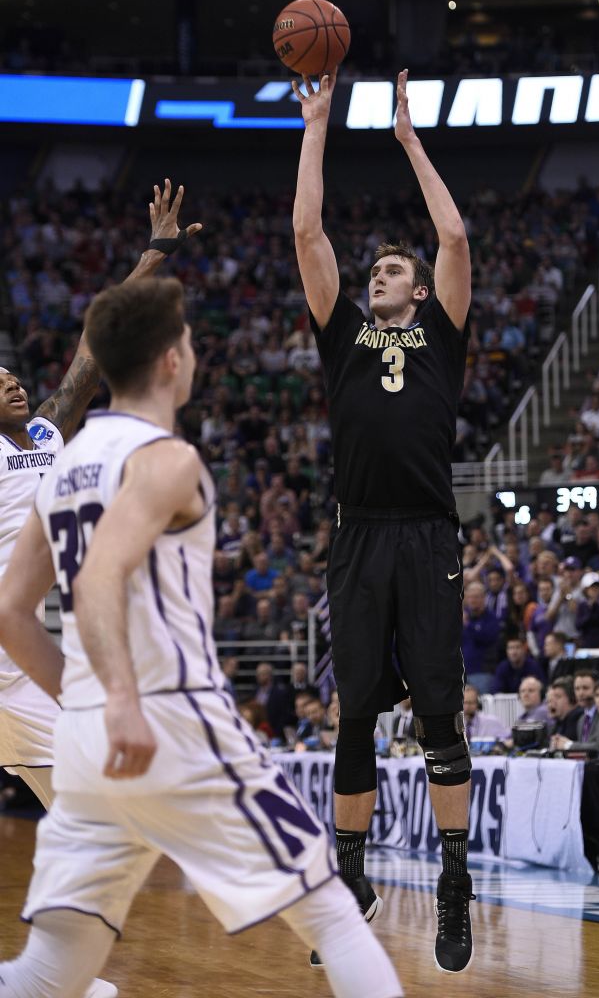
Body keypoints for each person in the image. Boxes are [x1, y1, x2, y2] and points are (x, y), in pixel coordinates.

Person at [0, 277, 402, 998]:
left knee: (49, 973)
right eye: (186, 341)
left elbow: (10, 613)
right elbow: (100, 577)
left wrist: (86, 701)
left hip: (86, 739)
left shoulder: (61, 466)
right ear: (170, 361)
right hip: (173, 717)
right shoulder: (166, 458)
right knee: (336, 916)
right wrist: (123, 700)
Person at [0, 181, 202, 998]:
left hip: (20, 662)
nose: (13, 383)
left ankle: (57, 975)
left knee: (93, 816)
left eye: (13, 375)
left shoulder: (48, 428)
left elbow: (94, 349)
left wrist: (155, 252)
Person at [292, 67, 474, 972]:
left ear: (420, 291)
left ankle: (453, 883)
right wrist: (316, 125)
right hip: (358, 532)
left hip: (427, 531)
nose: (379, 273)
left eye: (393, 269)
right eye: (376, 269)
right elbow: (306, 231)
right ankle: (353, 878)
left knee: (438, 713)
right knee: (355, 713)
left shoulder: (441, 331)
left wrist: (408, 141)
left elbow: (453, 234)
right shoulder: (342, 332)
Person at [547, 677, 582, 744]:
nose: (552, 702)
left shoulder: (577, 719)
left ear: (573, 698)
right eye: (549, 699)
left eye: (558, 697)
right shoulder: (559, 722)